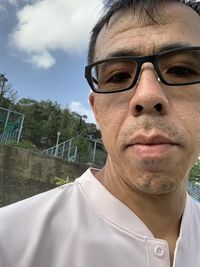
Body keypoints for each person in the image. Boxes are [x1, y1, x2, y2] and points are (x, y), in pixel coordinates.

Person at [0, 0, 200, 266]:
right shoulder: (10, 243)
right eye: (118, 76)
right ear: (97, 111)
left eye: (181, 71)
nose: (148, 95)